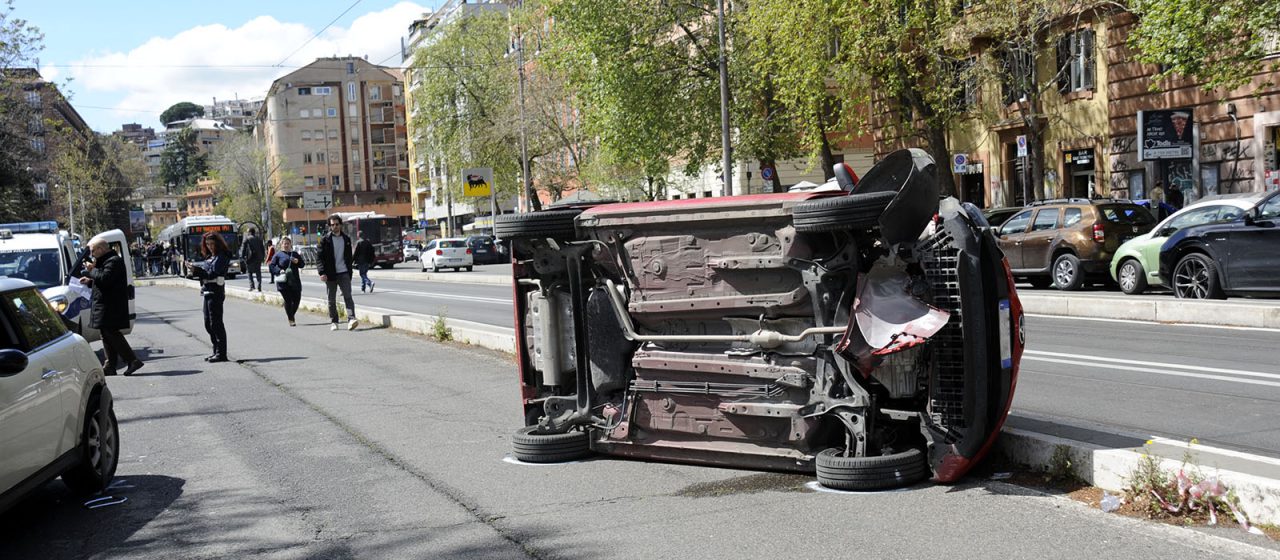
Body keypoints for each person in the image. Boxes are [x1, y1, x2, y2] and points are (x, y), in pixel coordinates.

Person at [79, 239, 144, 376]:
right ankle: (110, 365)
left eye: (93, 251)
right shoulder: (106, 261)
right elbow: (102, 280)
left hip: (110, 305)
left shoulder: (113, 261)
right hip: (105, 303)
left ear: (101, 249)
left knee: (111, 332)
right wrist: (90, 282)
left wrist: (91, 270)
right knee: (105, 333)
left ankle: (132, 360)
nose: (92, 254)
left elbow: (105, 278)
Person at [193, 231, 232, 362]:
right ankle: (216, 350)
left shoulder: (222, 256)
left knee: (216, 323)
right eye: (207, 244)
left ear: (217, 244)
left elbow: (212, 273)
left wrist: (197, 271)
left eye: (212, 244)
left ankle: (221, 353)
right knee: (208, 323)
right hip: (207, 291)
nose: (209, 246)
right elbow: (206, 273)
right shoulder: (210, 256)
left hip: (216, 291)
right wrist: (195, 271)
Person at [317, 214, 358, 331]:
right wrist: (322, 272)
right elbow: (319, 258)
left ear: (340, 225)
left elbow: (349, 257)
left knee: (348, 296)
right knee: (331, 299)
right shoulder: (325, 240)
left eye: (337, 224)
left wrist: (350, 272)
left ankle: (351, 319)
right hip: (330, 274)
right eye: (332, 225)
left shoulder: (346, 239)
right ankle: (334, 321)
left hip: (344, 272)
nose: (335, 226)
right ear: (329, 226)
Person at [269, 236, 304, 326]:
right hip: (283, 282)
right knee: (288, 300)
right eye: (284, 244)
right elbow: (271, 266)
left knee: (296, 300)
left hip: (295, 281)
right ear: (281, 245)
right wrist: (279, 270)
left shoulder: (295, 254)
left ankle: (291, 314)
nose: (286, 245)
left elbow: (302, 264)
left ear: (290, 244)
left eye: (288, 244)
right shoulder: (278, 255)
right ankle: (291, 319)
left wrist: (297, 262)